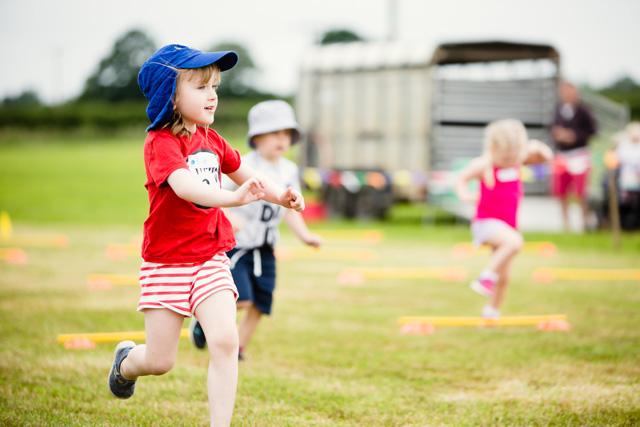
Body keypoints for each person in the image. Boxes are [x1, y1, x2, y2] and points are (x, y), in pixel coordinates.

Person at [107, 45, 306, 427]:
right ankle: (126, 363)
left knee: (226, 340)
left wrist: (281, 195)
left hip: (211, 258)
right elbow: (186, 188)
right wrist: (231, 200)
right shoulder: (161, 143)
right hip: (167, 261)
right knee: (160, 361)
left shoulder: (213, 140)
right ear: (171, 95)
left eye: (214, 85)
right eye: (200, 87)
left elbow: (249, 174)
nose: (212, 94)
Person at [189, 100, 323, 360]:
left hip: (266, 248)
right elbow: (214, 195)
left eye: (286, 134)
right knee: (242, 299)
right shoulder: (243, 165)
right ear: (257, 136)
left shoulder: (289, 170)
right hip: (238, 246)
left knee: (261, 304)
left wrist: (305, 236)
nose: (281, 140)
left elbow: (289, 209)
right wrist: (226, 217)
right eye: (275, 133)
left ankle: (239, 348)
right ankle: (205, 323)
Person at [455, 119, 553, 318]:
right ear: (492, 149)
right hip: (485, 222)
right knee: (516, 243)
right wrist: (465, 195)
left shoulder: (518, 158)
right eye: (504, 158)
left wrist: (537, 147)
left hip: (507, 225)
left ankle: (491, 312)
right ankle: (485, 277)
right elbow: (460, 179)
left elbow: (547, 157)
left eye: (513, 157)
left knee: (505, 276)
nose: (509, 162)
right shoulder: (483, 164)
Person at [550, 81, 598, 231]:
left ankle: (584, 223)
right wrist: (557, 134)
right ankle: (566, 225)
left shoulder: (584, 111)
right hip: (562, 155)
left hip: (579, 154)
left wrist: (574, 136)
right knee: (561, 191)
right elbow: (551, 127)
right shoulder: (559, 109)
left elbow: (593, 130)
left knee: (581, 191)